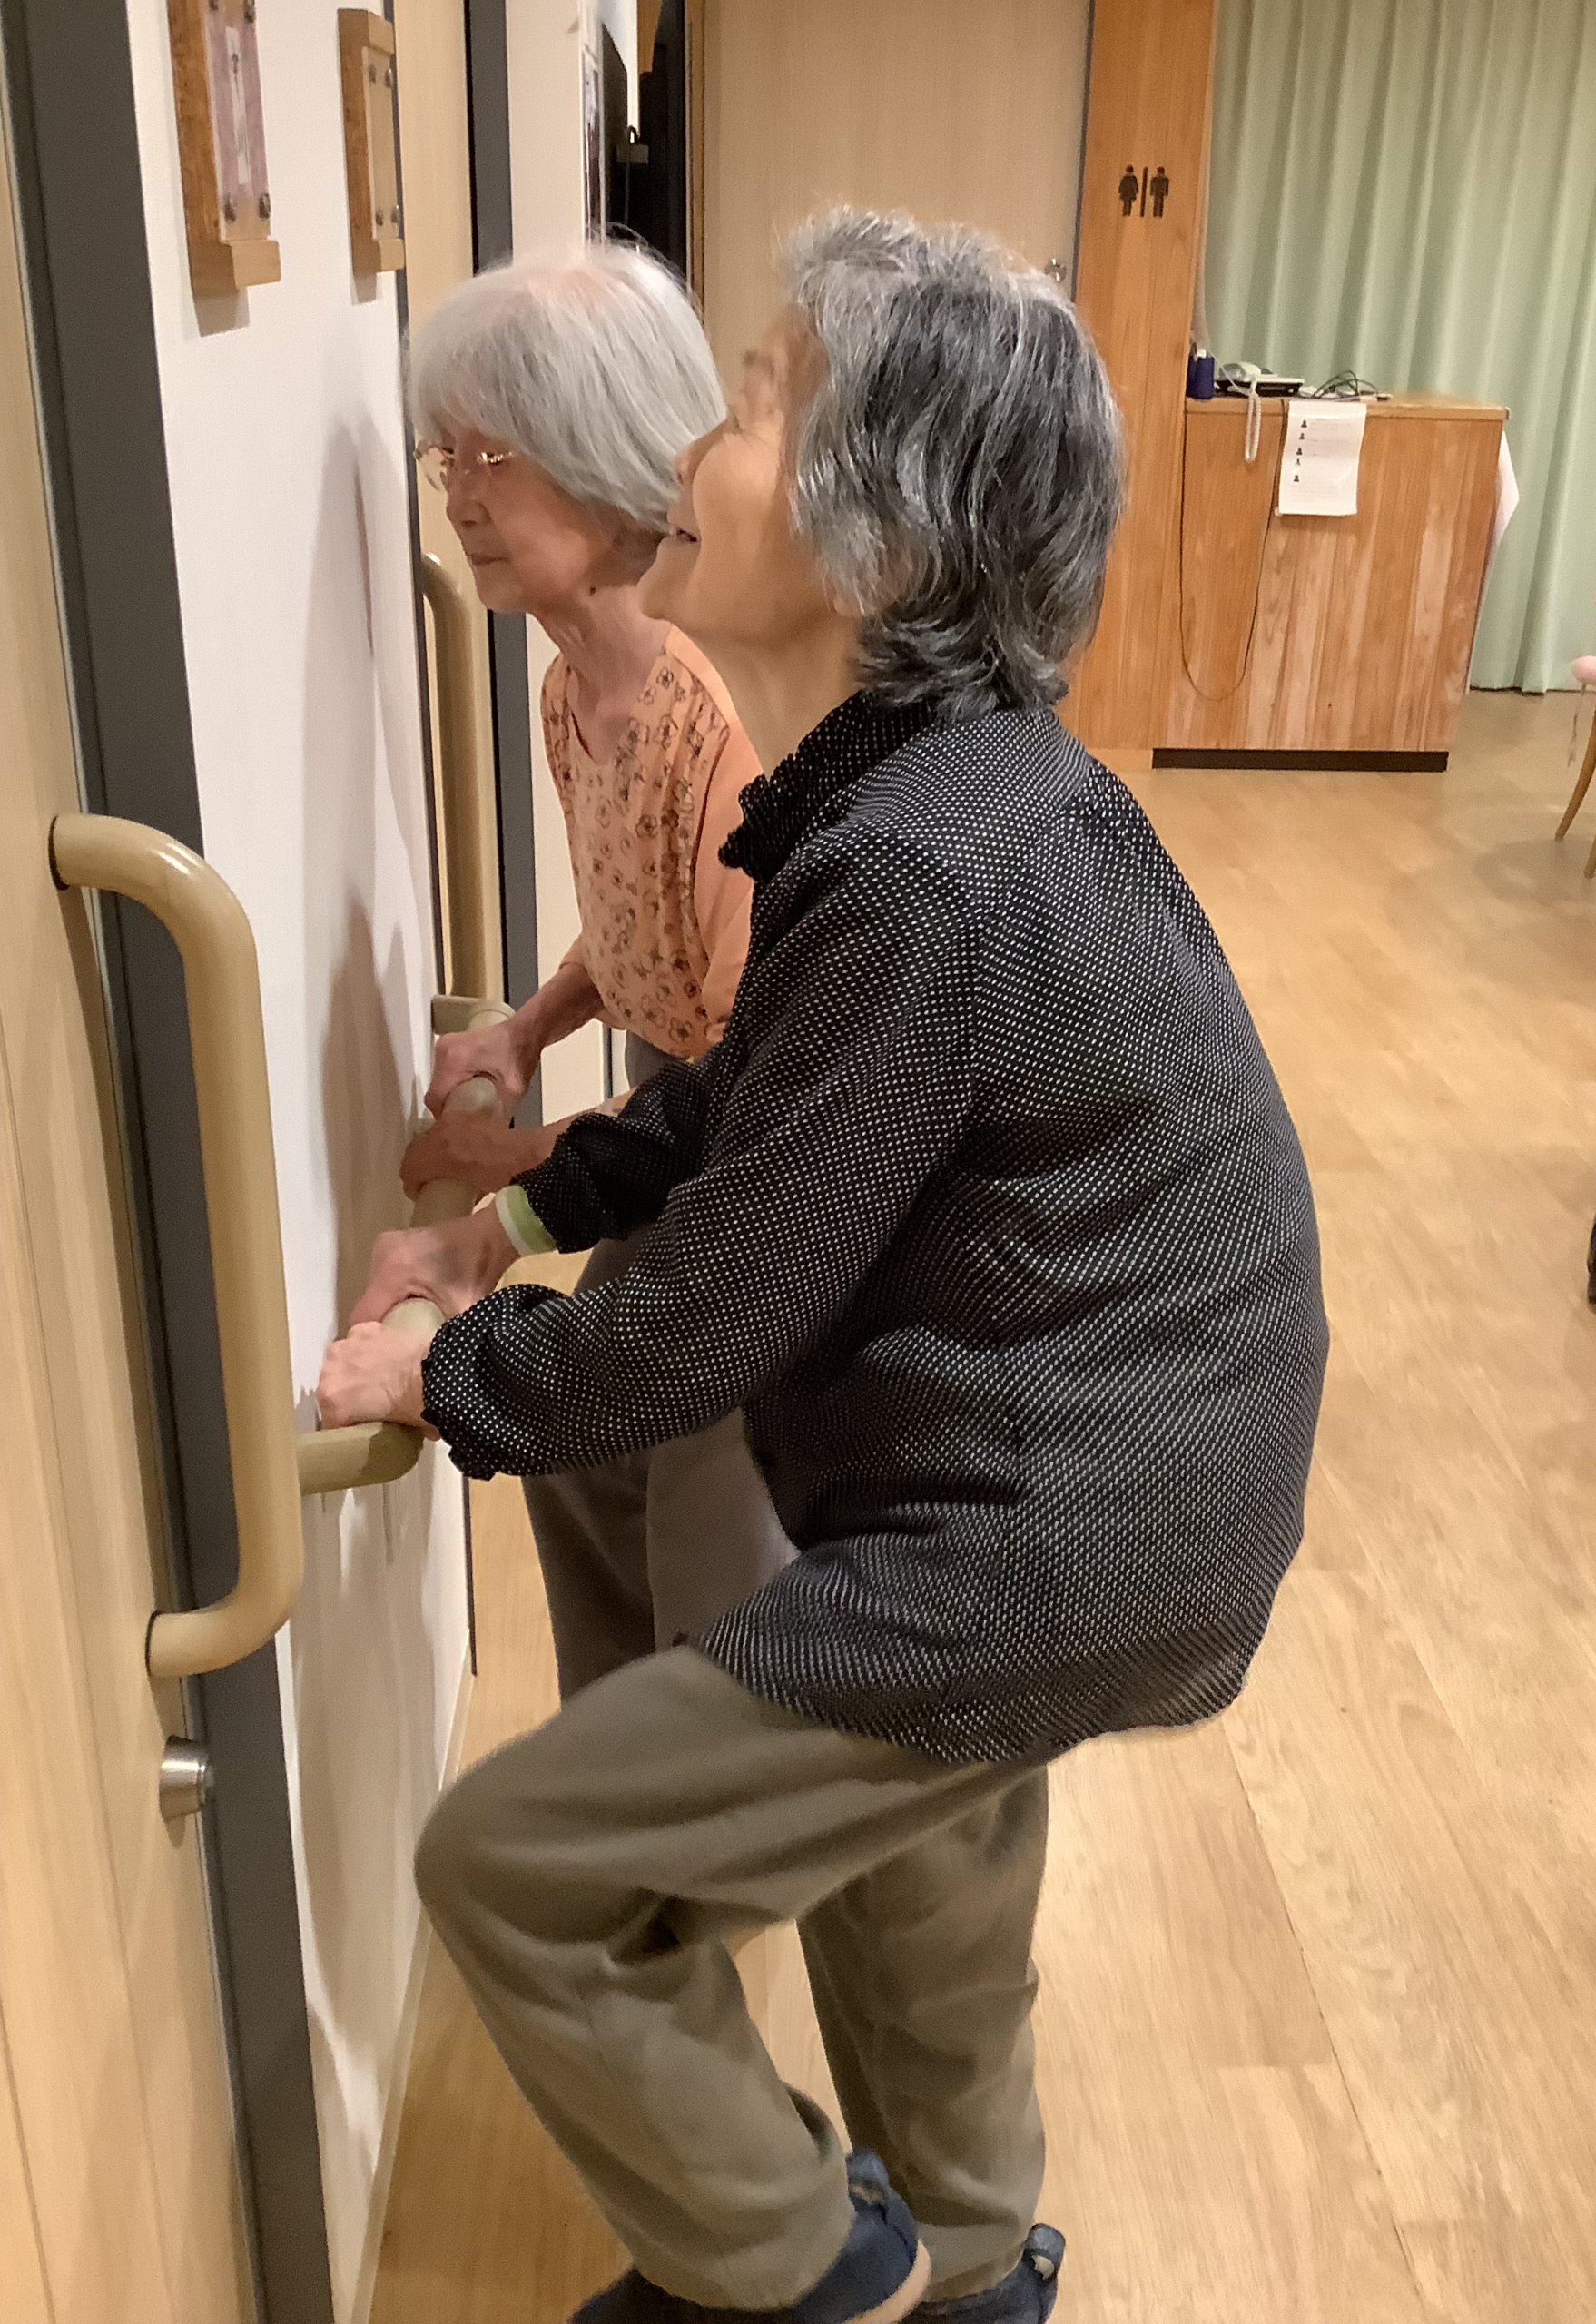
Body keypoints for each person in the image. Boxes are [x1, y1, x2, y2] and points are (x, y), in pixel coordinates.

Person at [320, 209, 1327, 2324]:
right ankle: (970, 2269)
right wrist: (514, 1220)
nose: (703, 436)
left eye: (762, 396)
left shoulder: (924, 866)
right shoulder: (930, 807)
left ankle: (802, 2273)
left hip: (1055, 1514)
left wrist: (450, 1370)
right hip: (1102, 1487)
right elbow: (750, 1101)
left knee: (516, 1866)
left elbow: (713, 1307)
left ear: (885, 541)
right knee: (920, 1869)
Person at [405, 243, 791, 1693]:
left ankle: (688, 1788)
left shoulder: (718, 721)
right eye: (447, 454)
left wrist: (511, 1176)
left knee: (708, 1530)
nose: (460, 495)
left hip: (754, 1158)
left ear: (612, 456)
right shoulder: (576, 684)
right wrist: (527, 1025)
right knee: (579, 1463)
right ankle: (624, 1771)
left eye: (492, 454)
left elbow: (744, 1093)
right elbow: (637, 914)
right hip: (665, 1113)